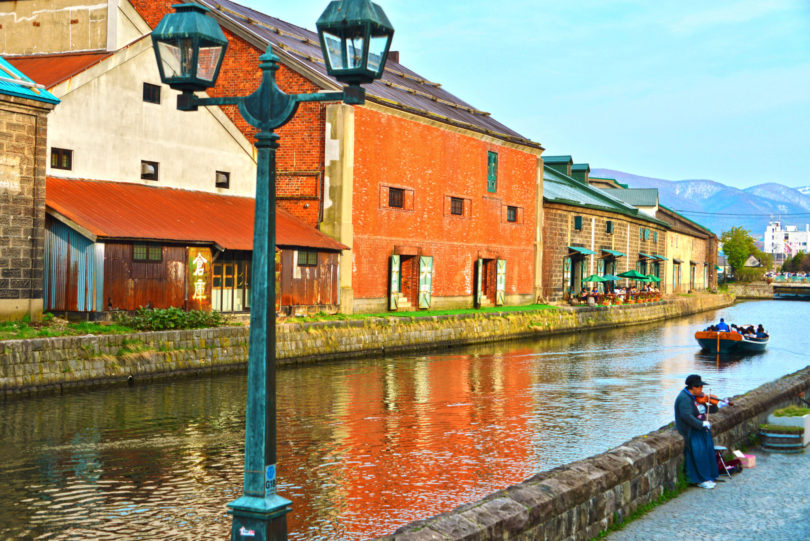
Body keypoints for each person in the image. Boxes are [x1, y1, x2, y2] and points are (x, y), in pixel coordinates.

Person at [674, 374, 718, 489]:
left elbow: (706, 410)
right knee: (698, 454)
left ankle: (708, 476)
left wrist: (715, 404)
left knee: (707, 452)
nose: (701, 390)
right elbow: (686, 416)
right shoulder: (684, 398)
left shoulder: (698, 397)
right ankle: (699, 479)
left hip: (701, 429)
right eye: (699, 387)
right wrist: (701, 424)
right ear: (693, 387)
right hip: (691, 430)